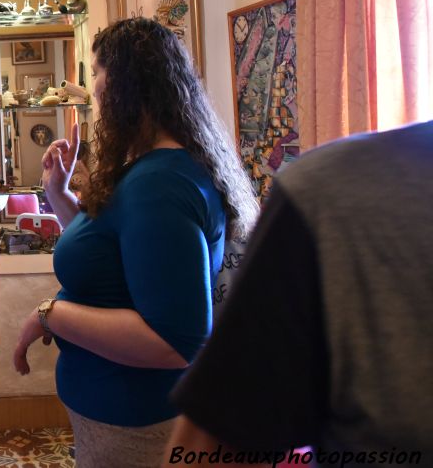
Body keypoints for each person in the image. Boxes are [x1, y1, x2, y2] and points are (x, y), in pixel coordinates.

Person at [12, 18, 258, 467]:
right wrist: (57, 194)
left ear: (126, 82)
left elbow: (173, 342)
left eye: (98, 74)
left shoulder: (158, 184)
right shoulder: (155, 169)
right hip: (118, 417)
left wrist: (51, 315)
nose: (94, 91)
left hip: (135, 424)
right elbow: (108, 254)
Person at [166, 120, 433, 466]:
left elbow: (174, 342)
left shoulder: (330, 193)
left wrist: (67, 315)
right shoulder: (327, 196)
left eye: (99, 72)